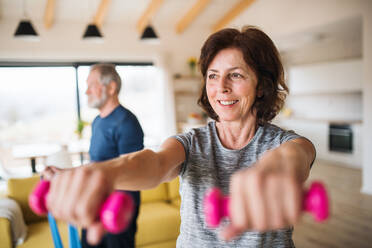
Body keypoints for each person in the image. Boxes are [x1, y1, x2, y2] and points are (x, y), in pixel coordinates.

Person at [45, 27, 315, 248]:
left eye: (235, 75)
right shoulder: (191, 143)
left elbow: (296, 156)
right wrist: (101, 173)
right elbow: (154, 163)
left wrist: (275, 169)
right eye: (213, 76)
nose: (221, 87)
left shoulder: (285, 144)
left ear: (260, 86)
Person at [44, 64, 144, 248]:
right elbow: (97, 165)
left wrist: (110, 215)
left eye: (92, 84)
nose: (86, 91)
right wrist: (67, 173)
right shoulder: (98, 122)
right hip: (93, 204)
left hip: (118, 209)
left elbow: (134, 171)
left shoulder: (127, 122)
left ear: (111, 87)